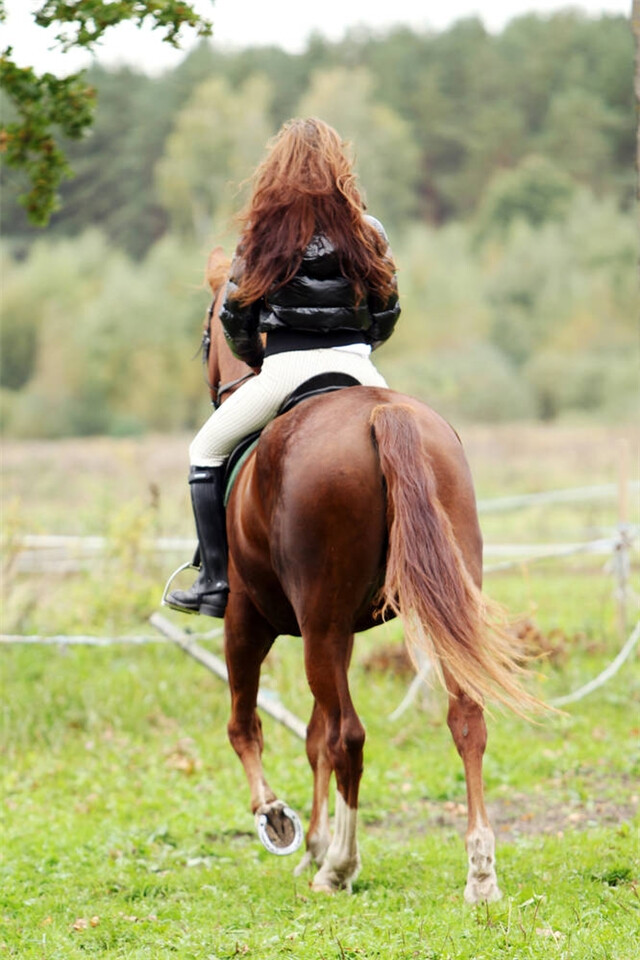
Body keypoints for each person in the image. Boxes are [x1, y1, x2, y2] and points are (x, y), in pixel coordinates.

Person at [166, 117, 401, 619]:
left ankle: (212, 581)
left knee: (204, 449)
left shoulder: (262, 232)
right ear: (341, 167)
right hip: (360, 370)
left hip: (285, 369)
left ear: (278, 169)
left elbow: (235, 316)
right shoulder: (369, 230)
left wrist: (257, 359)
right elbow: (387, 309)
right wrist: (362, 348)